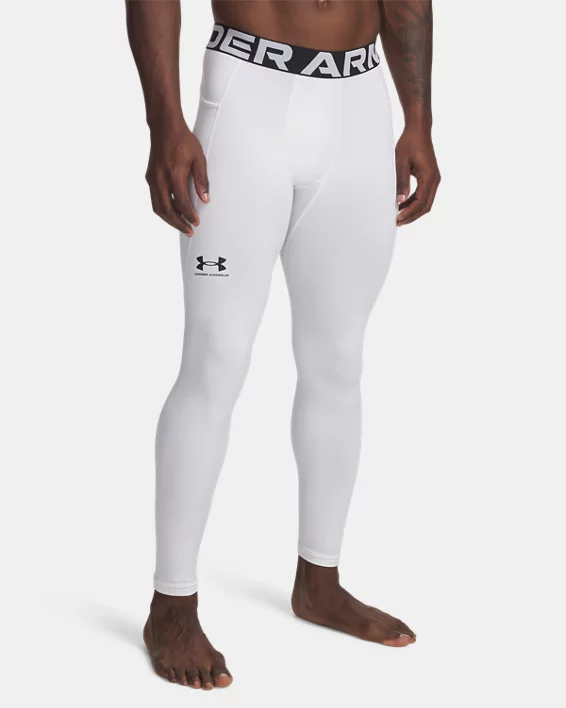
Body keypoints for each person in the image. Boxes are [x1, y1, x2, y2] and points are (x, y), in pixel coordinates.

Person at [126, 0, 440, 690]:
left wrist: (418, 118)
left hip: (360, 107)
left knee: (338, 360)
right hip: (248, 99)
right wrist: (165, 122)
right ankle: (171, 604)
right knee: (215, 359)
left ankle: (319, 581)